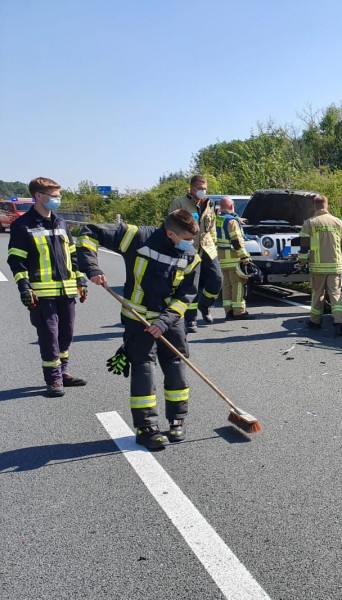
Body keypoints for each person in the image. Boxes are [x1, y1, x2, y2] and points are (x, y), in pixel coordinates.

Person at [77, 210, 201, 450]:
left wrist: (163, 322)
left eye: (192, 239)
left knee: (176, 366)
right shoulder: (137, 237)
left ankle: (178, 420)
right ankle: (146, 428)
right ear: (170, 233)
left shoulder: (191, 256)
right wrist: (91, 267)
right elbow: (88, 233)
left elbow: (186, 295)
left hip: (169, 321)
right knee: (144, 370)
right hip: (138, 320)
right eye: (186, 238)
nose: (190, 244)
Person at [7, 177, 88, 397]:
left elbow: (73, 255)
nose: (57, 200)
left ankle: (63, 372)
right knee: (49, 335)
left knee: (66, 334)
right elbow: (16, 260)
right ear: (39, 196)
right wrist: (24, 287)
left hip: (67, 291)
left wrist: (80, 280)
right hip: (42, 294)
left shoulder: (61, 223)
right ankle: (53, 380)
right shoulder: (22, 226)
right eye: (54, 196)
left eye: (58, 195)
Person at [169, 175, 221, 331]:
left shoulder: (208, 203)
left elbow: (211, 226)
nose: (202, 191)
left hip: (208, 248)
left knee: (216, 280)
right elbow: (171, 226)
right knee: (192, 284)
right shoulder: (179, 203)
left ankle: (205, 306)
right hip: (189, 248)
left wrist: (215, 244)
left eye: (204, 188)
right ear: (191, 188)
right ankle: (191, 320)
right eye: (199, 188)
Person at [297, 194, 342, 335]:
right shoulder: (338, 223)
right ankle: (339, 323)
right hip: (335, 266)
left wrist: (301, 263)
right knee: (336, 294)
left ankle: (315, 321)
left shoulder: (309, 223)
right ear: (327, 205)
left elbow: (304, 248)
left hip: (317, 267)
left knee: (317, 294)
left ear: (315, 206)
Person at [215, 196, 253, 320]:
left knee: (226, 285)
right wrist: (244, 256)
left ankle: (229, 311)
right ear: (231, 206)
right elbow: (236, 240)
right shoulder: (231, 221)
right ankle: (239, 312)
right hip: (233, 258)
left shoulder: (217, 219)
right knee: (237, 284)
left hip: (221, 259)